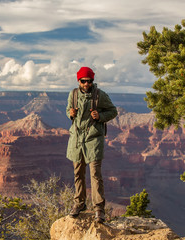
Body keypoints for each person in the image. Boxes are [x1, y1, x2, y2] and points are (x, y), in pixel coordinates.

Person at [66, 66, 117, 223]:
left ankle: (99, 209)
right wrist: (70, 113)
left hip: (93, 139)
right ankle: (79, 203)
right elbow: (68, 109)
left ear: (92, 81)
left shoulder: (100, 96)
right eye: (83, 81)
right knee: (78, 173)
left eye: (88, 81)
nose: (86, 84)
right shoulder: (73, 94)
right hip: (76, 139)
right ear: (79, 81)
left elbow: (113, 111)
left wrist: (100, 116)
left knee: (95, 174)